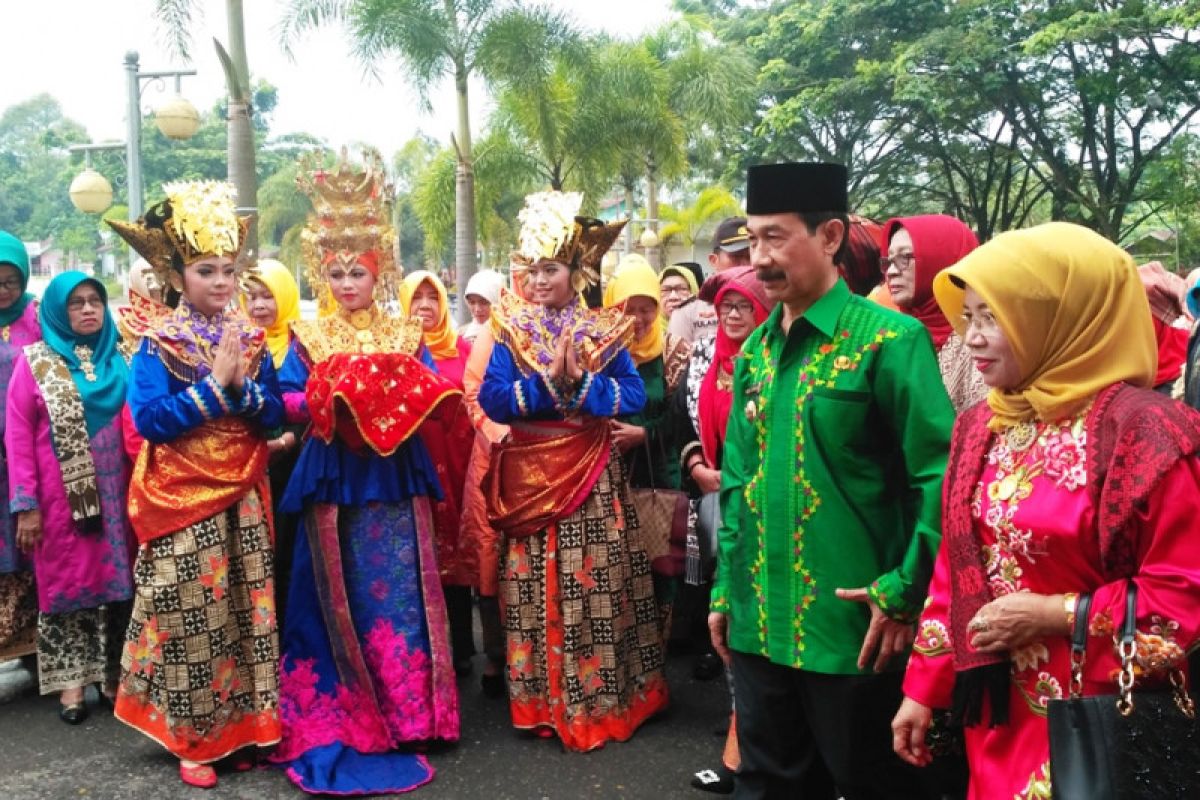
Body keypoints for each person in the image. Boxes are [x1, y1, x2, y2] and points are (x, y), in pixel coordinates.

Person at [892, 222, 1200, 799]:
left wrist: (1061, 614)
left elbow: (1185, 591)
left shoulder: (1145, 434)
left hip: (1106, 714)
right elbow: (958, 569)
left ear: (1062, 319)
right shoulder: (983, 424)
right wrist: (923, 690)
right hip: (1002, 714)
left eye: (994, 319)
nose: (973, 338)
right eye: (970, 316)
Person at [710, 163, 954, 799]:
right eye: (753, 239)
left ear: (831, 236)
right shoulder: (757, 352)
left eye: (776, 238)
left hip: (854, 631)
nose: (759, 258)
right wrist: (722, 591)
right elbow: (737, 481)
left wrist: (905, 590)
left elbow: (940, 476)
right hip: (759, 624)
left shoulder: (889, 341)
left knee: (872, 783)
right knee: (768, 786)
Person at [271, 152, 461, 795]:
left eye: (357, 271)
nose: (347, 282)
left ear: (376, 271)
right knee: (336, 591)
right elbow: (286, 399)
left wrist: (389, 394)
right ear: (323, 275)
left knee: (400, 591)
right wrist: (330, 394)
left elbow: (431, 390)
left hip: (395, 476)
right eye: (336, 272)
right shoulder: (307, 331)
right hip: (335, 475)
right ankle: (350, 707)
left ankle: (412, 713)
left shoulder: (406, 331)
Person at [106, 181, 285, 788]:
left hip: (244, 499)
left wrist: (242, 390)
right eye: (206, 270)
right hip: (184, 502)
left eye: (228, 271)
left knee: (243, 613)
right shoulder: (158, 344)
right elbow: (150, 421)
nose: (221, 282)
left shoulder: (252, 341)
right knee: (190, 617)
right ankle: (194, 741)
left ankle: (242, 729)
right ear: (178, 276)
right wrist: (213, 390)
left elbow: (279, 416)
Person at [479, 190, 668, 751]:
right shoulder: (510, 329)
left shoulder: (605, 329)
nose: (540, 281)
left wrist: (583, 386)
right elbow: (490, 399)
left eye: (552, 269)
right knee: (534, 584)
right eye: (533, 270)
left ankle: (600, 698)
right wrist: (542, 387)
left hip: (590, 477)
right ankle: (541, 698)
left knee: (596, 581)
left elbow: (632, 394)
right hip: (532, 475)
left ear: (577, 269)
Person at [6, 272, 134, 724]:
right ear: (60, 311)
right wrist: (26, 505)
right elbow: (18, 436)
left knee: (121, 585)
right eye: (76, 303)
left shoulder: (123, 355)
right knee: (66, 587)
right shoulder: (35, 361)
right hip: (61, 505)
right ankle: (71, 685)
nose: (87, 310)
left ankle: (115, 677)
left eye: (95, 301)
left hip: (121, 500)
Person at [677, 265, 770, 795]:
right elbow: (683, 420)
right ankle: (743, 738)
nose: (733, 315)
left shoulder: (772, 356)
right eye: (726, 307)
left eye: (743, 306)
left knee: (756, 621)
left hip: (764, 502)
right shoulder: (705, 357)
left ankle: (747, 747)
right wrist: (696, 467)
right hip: (715, 495)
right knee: (728, 610)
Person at [402, 269, 478, 677]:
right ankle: (422, 650)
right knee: (414, 558)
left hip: (457, 462)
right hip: (412, 465)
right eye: (417, 298)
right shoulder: (395, 350)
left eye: (433, 298)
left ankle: (463, 647)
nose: (425, 306)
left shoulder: (461, 350)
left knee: (457, 555)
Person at [240, 258, 304, 630]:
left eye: (268, 296)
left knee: (285, 550)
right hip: (245, 467)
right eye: (252, 297)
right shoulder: (237, 342)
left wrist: (283, 442)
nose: (259, 306)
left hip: (288, 465)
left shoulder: (301, 345)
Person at [881, 215, 986, 412]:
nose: (891, 272)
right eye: (888, 261)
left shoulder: (979, 340)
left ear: (943, 259)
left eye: (905, 258)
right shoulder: (892, 334)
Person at [0, 231, 39, 676]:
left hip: (28, 449)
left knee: (29, 540)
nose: (6, 288)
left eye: (12, 280)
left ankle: (32, 646)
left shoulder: (36, 316)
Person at [669, 218, 751, 345]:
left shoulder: (774, 305)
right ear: (714, 260)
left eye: (750, 257)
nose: (745, 265)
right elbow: (677, 362)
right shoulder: (688, 312)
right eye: (736, 257)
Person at [461, 269, 504, 344]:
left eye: (484, 302)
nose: (477, 309)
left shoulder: (508, 337)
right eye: (472, 302)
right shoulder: (461, 335)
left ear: (497, 301)